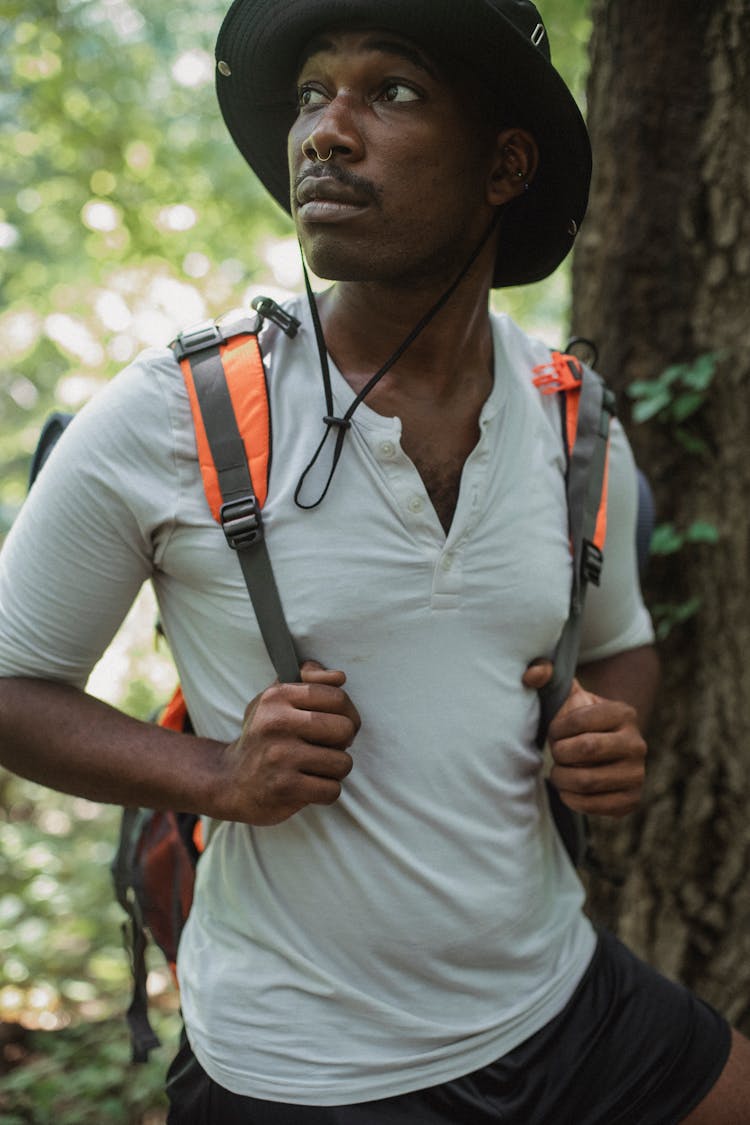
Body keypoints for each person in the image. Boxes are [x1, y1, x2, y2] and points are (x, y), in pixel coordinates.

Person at [0, 0, 747, 1120]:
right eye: (311, 95)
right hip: (305, 1064)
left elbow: (623, 647)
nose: (325, 133)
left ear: (504, 165)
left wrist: (601, 723)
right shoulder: (176, 414)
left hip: (562, 997)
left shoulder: (571, 419)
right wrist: (217, 777)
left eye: (389, 91)